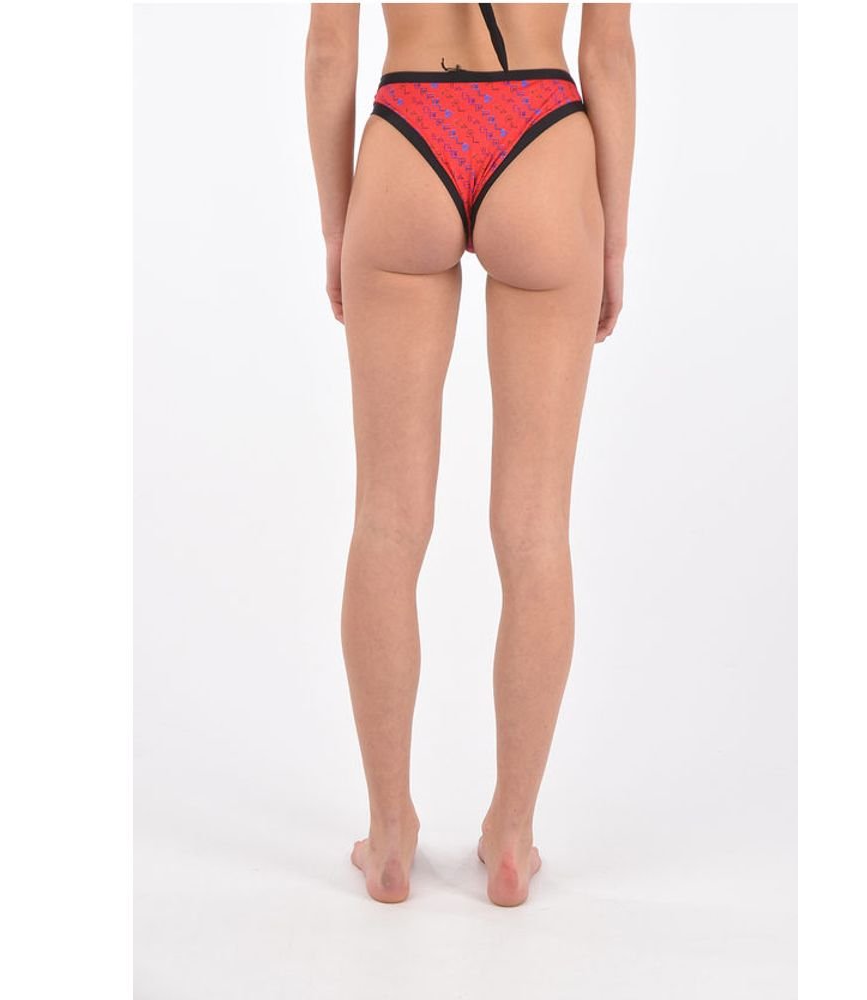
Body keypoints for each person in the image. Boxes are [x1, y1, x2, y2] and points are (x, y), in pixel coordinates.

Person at [305, 2, 635, 906]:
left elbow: (331, 47)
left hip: (409, 135)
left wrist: (338, 225)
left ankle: (389, 838)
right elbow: (607, 51)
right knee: (535, 533)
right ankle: (513, 837)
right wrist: (611, 238)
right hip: (544, 137)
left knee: (386, 523)